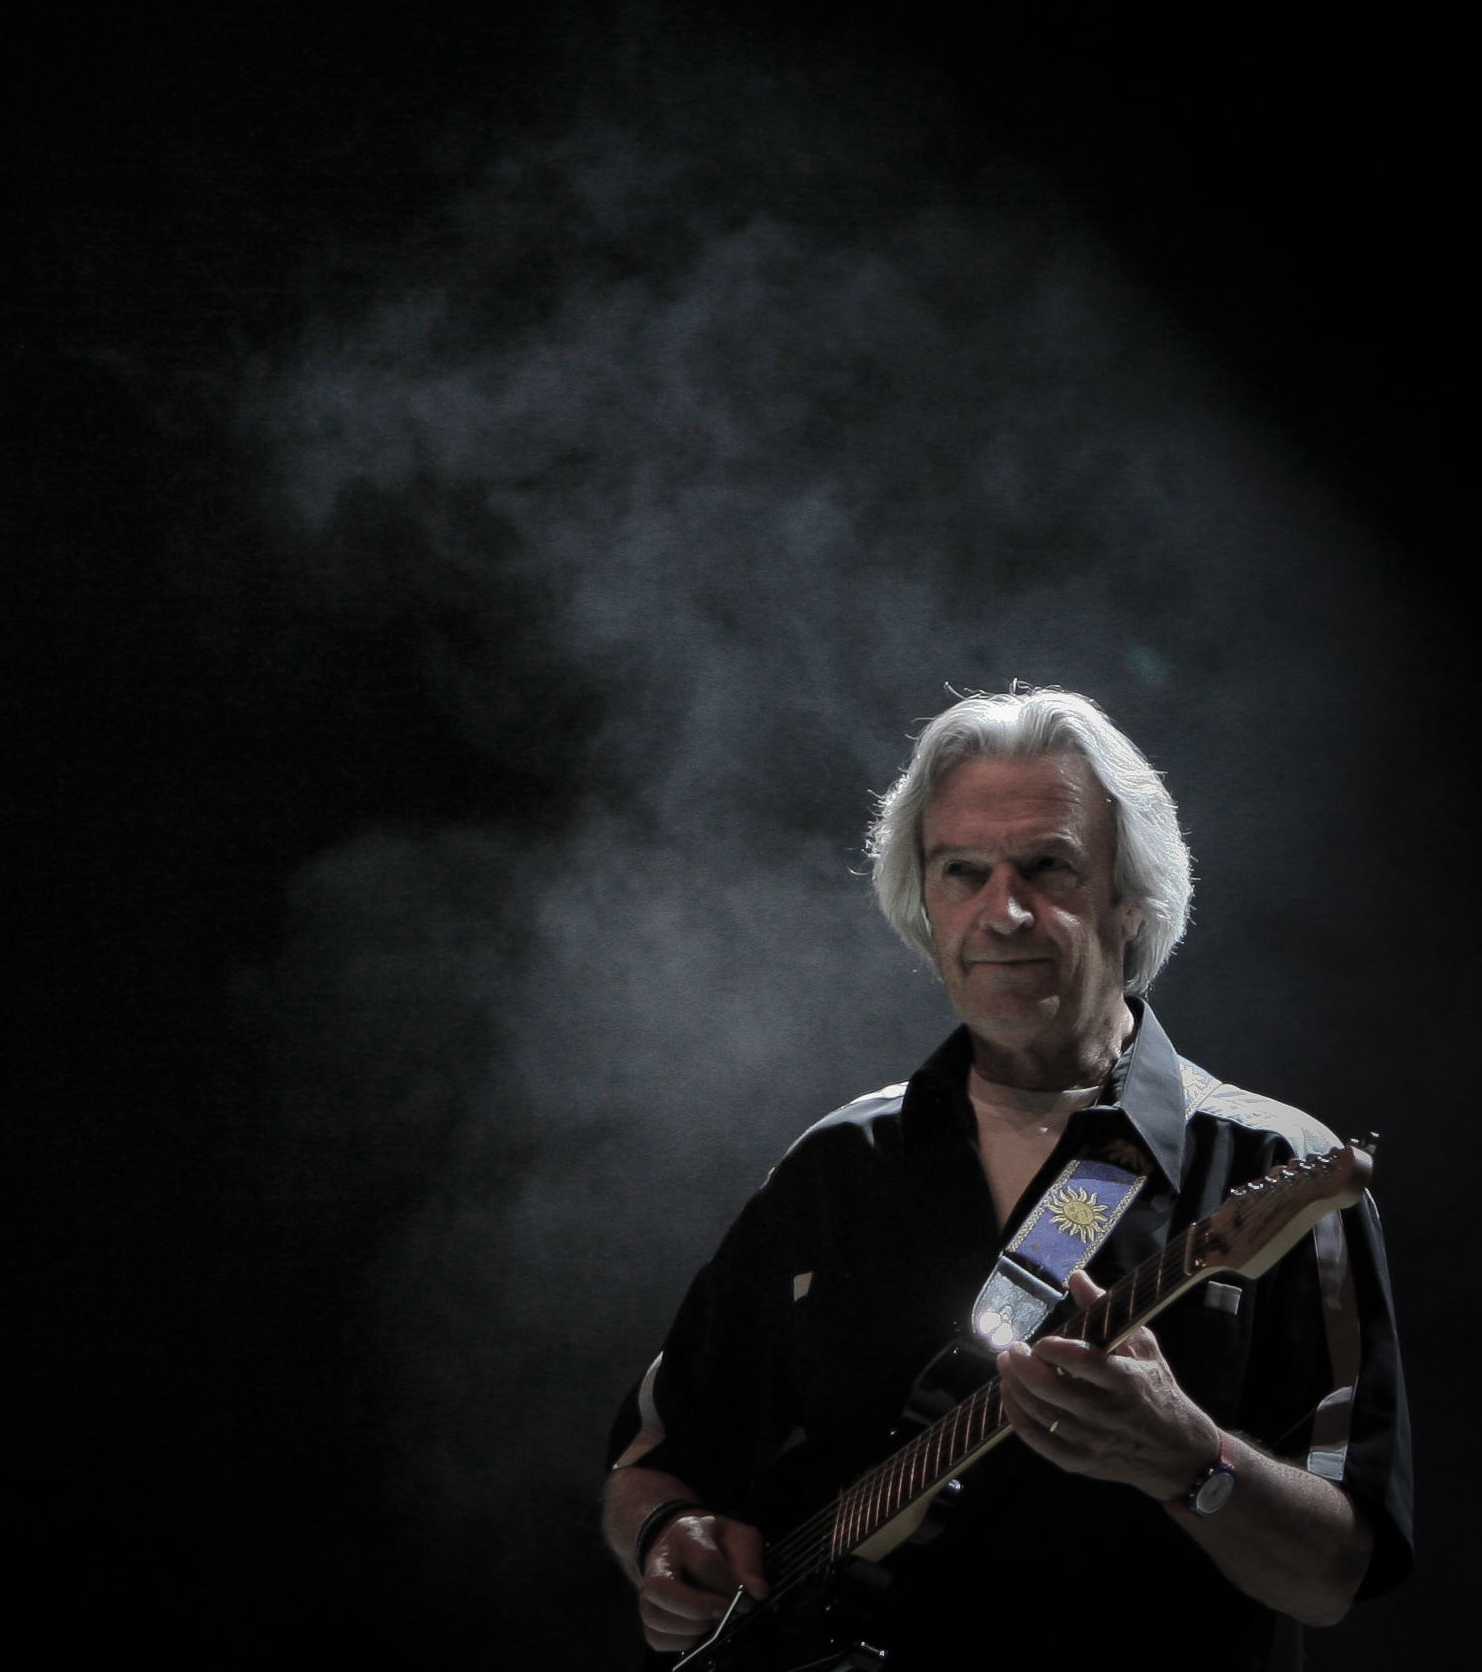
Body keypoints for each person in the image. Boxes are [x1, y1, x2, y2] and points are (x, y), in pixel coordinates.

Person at [602, 688, 1411, 1670]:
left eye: (1047, 865)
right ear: (923, 903)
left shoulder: (1271, 1165)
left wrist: (1185, 1457)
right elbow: (653, 1461)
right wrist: (668, 1540)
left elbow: (1332, 1573)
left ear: (1132, 900)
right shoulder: (835, 1165)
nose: (1002, 908)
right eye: (961, 872)